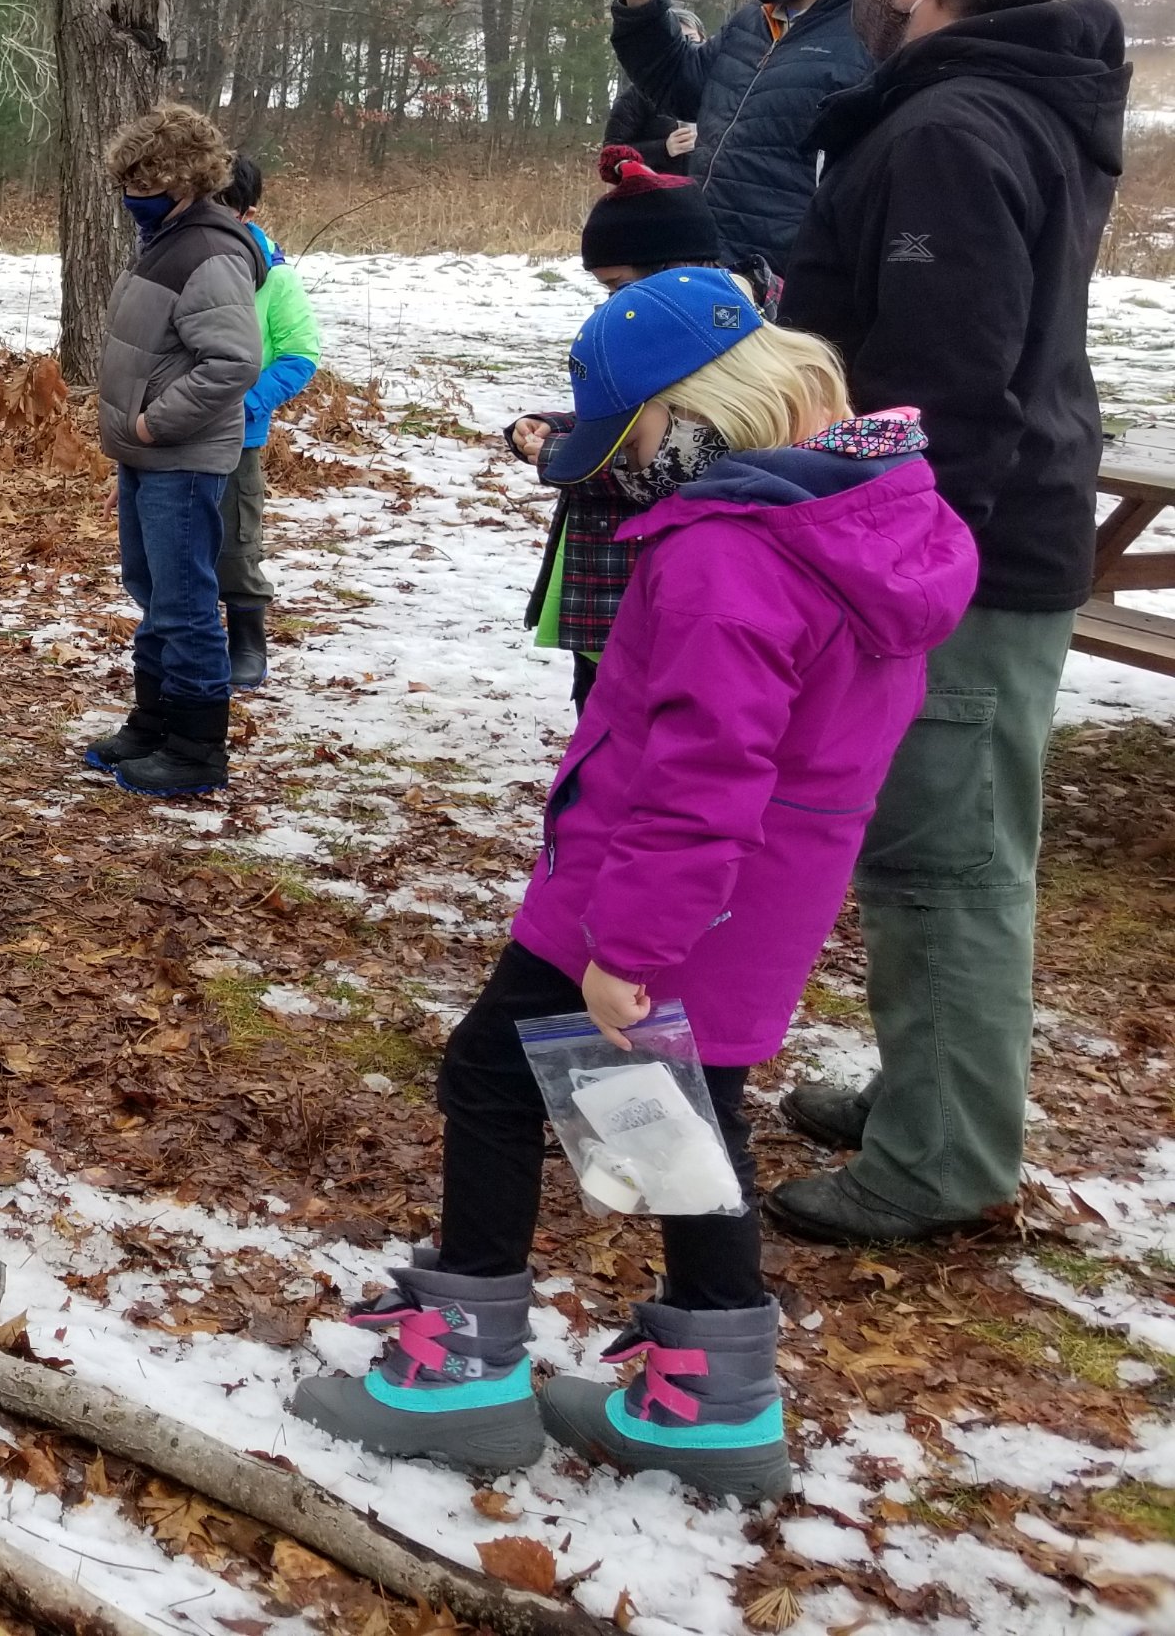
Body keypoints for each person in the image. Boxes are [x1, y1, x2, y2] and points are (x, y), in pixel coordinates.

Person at [293, 275, 974, 1501]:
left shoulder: (729, 553)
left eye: (640, 435)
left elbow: (705, 774)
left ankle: (460, 1377)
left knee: (492, 1078)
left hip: (648, 894)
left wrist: (630, 948)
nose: (631, 465)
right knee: (679, 1119)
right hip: (756, 896)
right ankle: (711, 1402)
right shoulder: (868, 511)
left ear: (701, 408)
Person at [767, 0, 1127, 1247]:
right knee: (935, 841)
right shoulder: (1003, 103)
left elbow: (945, 384)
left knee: (948, 862)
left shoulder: (953, 128)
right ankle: (927, 1093)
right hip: (970, 534)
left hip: (956, 550)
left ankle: (943, 1156)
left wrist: (896, 565)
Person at [505, 148, 756, 711]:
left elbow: (677, 462)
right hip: (610, 582)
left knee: (634, 719)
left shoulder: (724, 347)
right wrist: (557, 424)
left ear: (672, 272)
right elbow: (627, 411)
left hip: (646, 586)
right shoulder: (673, 323)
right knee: (598, 710)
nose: (611, 304)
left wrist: (558, 453)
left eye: (616, 286)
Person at [85, 104, 264, 798]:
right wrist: (132, 447)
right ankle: (154, 721)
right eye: (126, 182)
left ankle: (195, 748)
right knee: (154, 592)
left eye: (145, 182)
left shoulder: (209, 252)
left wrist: (154, 426)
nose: (132, 195)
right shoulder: (166, 237)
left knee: (185, 602)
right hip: (148, 458)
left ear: (186, 179)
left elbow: (233, 362)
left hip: (182, 458)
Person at [612, 0, 873, 274]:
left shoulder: (872, 36)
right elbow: (679, 86)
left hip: (789, 295)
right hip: (708, 275)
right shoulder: (755, 20)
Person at [213, 154, 318, 690]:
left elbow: (300, 357)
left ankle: (248, 642)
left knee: (235, 542)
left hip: (236, 435)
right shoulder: (181, 262)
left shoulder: (275, 278)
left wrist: (245, 403)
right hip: (176, 432)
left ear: (247, 212)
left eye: (223, 207)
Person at [600, 4, 708, 175]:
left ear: (704, 41)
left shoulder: (721, 92)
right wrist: (663, 149)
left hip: (709, 189)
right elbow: (610, 156)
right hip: (655, 189)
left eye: (691, 39)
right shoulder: (637, 96)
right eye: (676, 40)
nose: (684, 47)